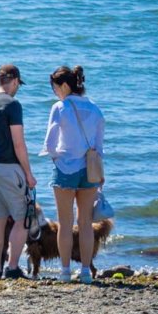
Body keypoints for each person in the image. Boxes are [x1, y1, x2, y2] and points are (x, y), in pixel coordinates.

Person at [41, 65, 105, 284]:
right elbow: (98, 146)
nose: (54, 92)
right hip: (89, 169)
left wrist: (57, 156)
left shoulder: (60, 107)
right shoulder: (96, 109)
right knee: (86, 223)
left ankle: (66, 272)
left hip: (65, 168)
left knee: (65, 224)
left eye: (55, 88)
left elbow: (49, 143)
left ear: (65, 86)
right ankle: (86, 271)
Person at [0, 63, 38, 280]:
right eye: (17, 85)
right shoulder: (12, 104)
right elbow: (19, 143)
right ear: (13, 81)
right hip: (8, 168)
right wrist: (29, 174)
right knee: (22, 218)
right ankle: (12, 267)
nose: (17, 89)